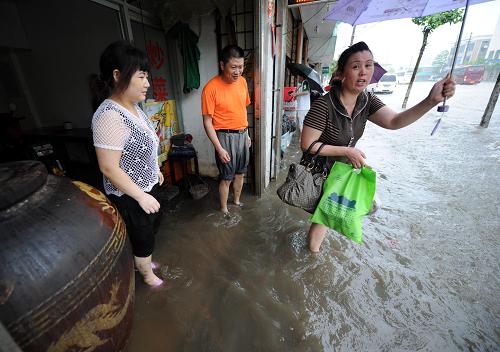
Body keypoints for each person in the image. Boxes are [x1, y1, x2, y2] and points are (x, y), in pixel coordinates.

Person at [301, 41, 456, 252]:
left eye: (368, 65)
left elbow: (394, 122)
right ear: (341, 73)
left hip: (342, 172)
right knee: (324, 218)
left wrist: (430, 101)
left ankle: (311, 255)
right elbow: (307, 144)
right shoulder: (324, 105)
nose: (363, 72)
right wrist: (346, 151)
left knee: (326, 218)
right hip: (321, 171)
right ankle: (311, 258)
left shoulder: (367, 101)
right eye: (355, 66)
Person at [90, 41, 164, 287]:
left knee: (149, 230)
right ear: (117, 75)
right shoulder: (109, 115)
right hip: (130, 194)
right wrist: (141, 197)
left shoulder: (134, 109)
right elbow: (109, 167)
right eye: (141, 76)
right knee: (141, 235)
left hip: (146, 185)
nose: (147, 83)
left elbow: (145, 146)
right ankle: (145, 273)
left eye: (147, 76)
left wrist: (157, 171)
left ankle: (143, 261)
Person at [201, 45, 251, 214]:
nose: (238, 71)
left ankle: (236, 201)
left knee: (240, 173)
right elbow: (207, 122)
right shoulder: (211, 88)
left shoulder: (242, 82)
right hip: (224, 137)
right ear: (222, 65)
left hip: (242, 135)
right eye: (234, 67)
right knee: (226, 177)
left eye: (241, 67)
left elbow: (243, 109)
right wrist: (219, 148)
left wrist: (247, 133)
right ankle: (224, 209)